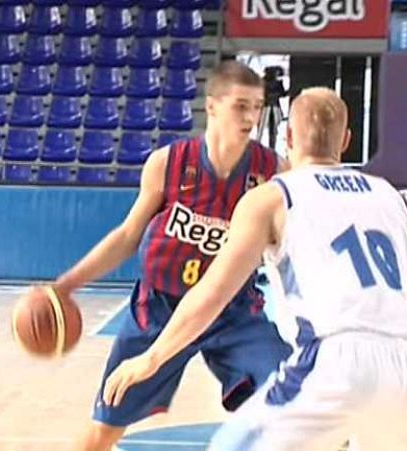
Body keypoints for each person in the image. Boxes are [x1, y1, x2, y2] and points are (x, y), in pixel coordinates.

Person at [102, 87, 407, 451]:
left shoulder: (271, 197)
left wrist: (153, 357)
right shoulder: (394, 199)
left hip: (336, 360)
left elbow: (212, 293)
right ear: (346, 142)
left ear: (288, 139)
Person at [48, 60, 293, 451]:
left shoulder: (273, 172)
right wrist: (66, 286)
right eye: (240, 105)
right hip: (159, 309)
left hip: (233, 312)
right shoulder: (168, 163)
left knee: (296, 401)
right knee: (105, 427)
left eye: (257, 106)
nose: (250, 116)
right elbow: (128, 236)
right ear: (212, 106)